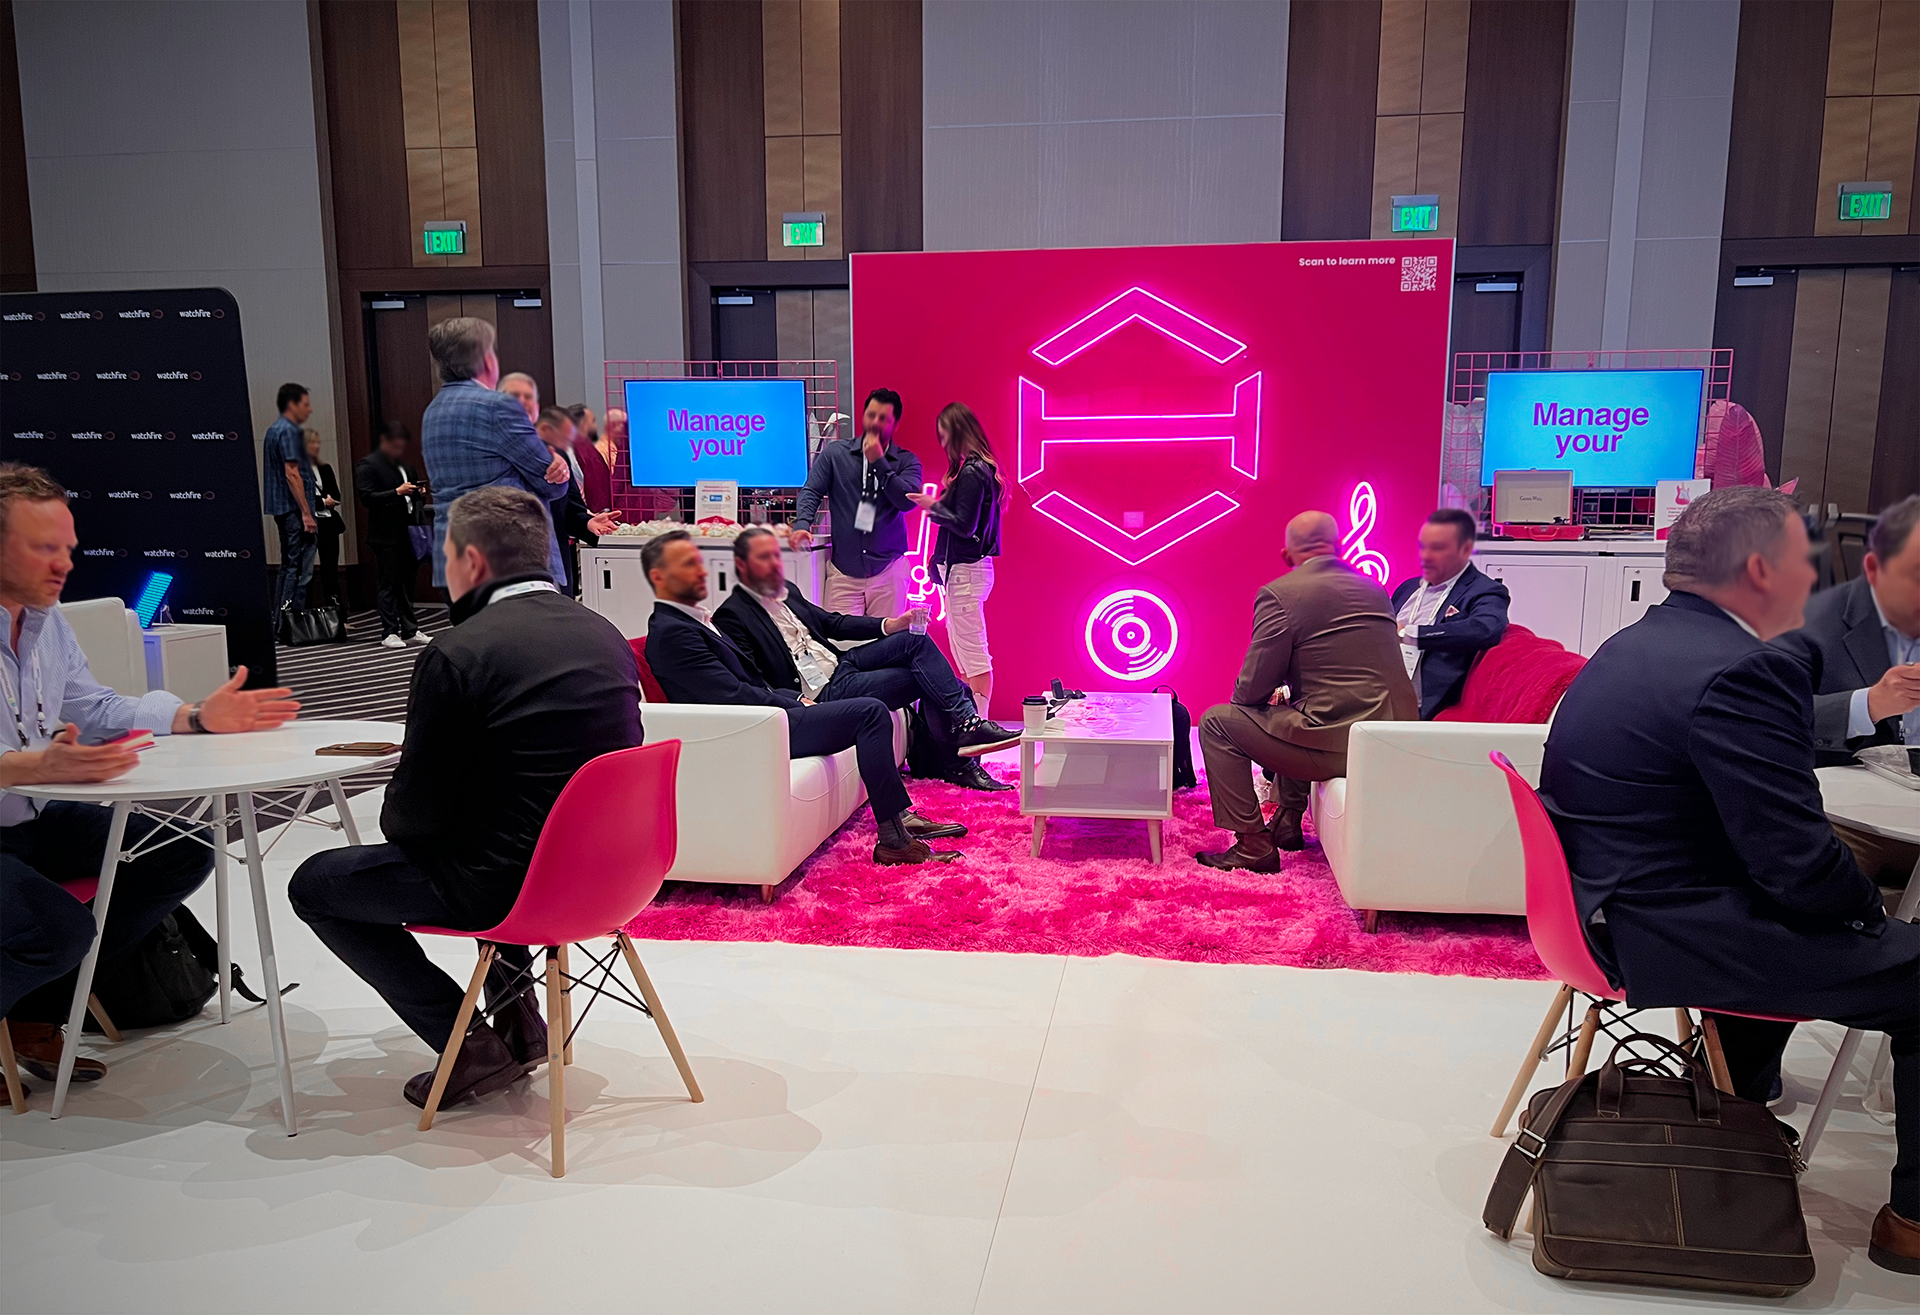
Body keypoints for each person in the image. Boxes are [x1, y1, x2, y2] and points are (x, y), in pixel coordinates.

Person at [1539, 486, 1920, 1275]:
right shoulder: (1747, 667)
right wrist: (1872, 921)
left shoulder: (1633, 642)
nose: (1813, 579)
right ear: (1758, 570)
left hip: (1609, 907)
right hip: (1673, 929)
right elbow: (1798, 865)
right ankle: (1910, 1222)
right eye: (1802, 561)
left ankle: (1740, 1106)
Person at [289, 487, 644, 1111]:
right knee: (503, 824)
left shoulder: (458, 654)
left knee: (315, 884)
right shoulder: (604, 634)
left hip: (509, 888)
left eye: (445, 554)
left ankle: (467, 1043)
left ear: (472, 561)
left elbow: (412, 818)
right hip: (613, 875)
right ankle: (518, 1019)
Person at [0, 464, 299, 1085]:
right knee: (56, 932)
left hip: (30, 816)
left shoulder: (47, 620)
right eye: (44, 548)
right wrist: (32, 764)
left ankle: (36, 1013)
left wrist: (194, 715)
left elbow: (94, 705)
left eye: (67, 548)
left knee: (180, 849)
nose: (64, 564)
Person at [640, 530, 965, 863]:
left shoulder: (695, 620)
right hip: (754, 728)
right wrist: (794, 700)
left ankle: (948, 758)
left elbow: (755, 677)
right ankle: (895, 838)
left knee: (913, 668)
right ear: (658, 576)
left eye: (698, 562)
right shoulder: (675, 632)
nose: (700, 571)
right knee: (870, 713)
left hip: (769, 712)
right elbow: (732, 694)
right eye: (687, 565)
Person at [715, 526, 1021, 790]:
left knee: (915, 640)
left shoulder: (787, 591)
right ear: (742, 565)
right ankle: (962, 756)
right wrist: (795, 699)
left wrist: (892, 624)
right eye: (763, 558)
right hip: (823, 692)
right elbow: (752, 679)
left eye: (775, 556)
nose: (773, 564)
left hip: (841, 665)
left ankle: (967, 726)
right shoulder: (732, 614)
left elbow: (833, 623)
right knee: (930, 679)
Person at [1196, 511, 1417, 871]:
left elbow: (1249, 692)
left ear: (1287, 556)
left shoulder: (1280, 594)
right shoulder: (1374, 589)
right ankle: (1287, 822)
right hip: (1395, 738)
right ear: (1338, 547)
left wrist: (1275, 692)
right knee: (1294, 714)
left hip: (1343, 744)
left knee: (1217, 723)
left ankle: (1252, 845)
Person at [1778, 494, 1920, 885]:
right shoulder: (1806, 620)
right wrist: (1868, 705)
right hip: (1846, 819)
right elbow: (1768, 718)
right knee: (1828, 879)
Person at [419, 318, 571, 591]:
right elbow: (551, 483)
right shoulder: (497, 406)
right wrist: (559, 465)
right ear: (485, 359)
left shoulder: (433, 411)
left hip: (453, 558)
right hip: (510, 561)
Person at [790, 387, 924, 616]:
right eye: (871, 415)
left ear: (895, 424)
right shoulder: (836, 454)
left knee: (888, 637)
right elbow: (812, 490)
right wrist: (802, 523)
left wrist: (880, 463)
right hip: (844, 573)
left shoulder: (906, 461)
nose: (875, 423)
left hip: (888, 571)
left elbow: (907, 501)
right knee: (839, 636)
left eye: (883, 418)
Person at [906, 402, 1004, 714]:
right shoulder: (979, 469)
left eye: (945, 434)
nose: (944, 442)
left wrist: (932, 506)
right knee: (965, 654)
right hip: (964, 573)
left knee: (972, 656)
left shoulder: (973, 471)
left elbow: (964, 524)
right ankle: (972, 722)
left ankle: (978, 724)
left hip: (965, 574)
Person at [1389, 508, 1510, 719]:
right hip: (1381, 690)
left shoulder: (1485, 590)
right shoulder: (1408, 588)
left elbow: (1486, 628)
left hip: (1420, 704)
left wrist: (1412, 634)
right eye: (1423, 547)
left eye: (1438, 548)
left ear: (1465, 549)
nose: (1426, 556)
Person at [354, 420, 427, 648]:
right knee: (389, 584)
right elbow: (367, 497)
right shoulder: (368, 465)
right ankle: (389, 631)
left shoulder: (406, 466)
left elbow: (412, 498)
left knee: (407, 583)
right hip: (385, 535)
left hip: (409, 532)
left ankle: (410, 629)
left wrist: (418, 492)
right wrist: (397, 492)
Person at [534, 407, 620, 597]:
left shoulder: (561, 455)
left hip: (558, 562)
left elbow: (570, 507)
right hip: (516, 562)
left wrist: (588, 522)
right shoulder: (498, 457)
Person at [263, 382, 318, 615]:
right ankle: (293, 619)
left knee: (288, 565)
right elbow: (292, 473)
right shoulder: (290, 432)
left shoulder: (273, 429)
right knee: (299, 568)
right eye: (305, 404)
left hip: (282, 508)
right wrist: (306, 513)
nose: (309, 409)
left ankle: (280, 620)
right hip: (294, 510)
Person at [304, 429, 345, 609]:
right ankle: (305, 612)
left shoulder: (325, 468)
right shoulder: (296, 469)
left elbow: (336, 495)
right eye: (311, 443)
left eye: (317, 443)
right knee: (305, 570)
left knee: (330, 569)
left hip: (329, 523)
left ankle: (335, 611)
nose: (315, 446)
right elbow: (299, 498)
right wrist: (322, 502)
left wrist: (327, 502)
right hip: (308, 524)